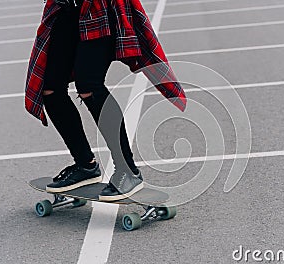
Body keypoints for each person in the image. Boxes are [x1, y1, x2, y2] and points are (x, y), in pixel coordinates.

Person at [25, 0, 186, 201]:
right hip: (65, 8)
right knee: (50, 89)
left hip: (99, 9)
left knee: (89, 87)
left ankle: (128, 170)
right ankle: (85, 165)